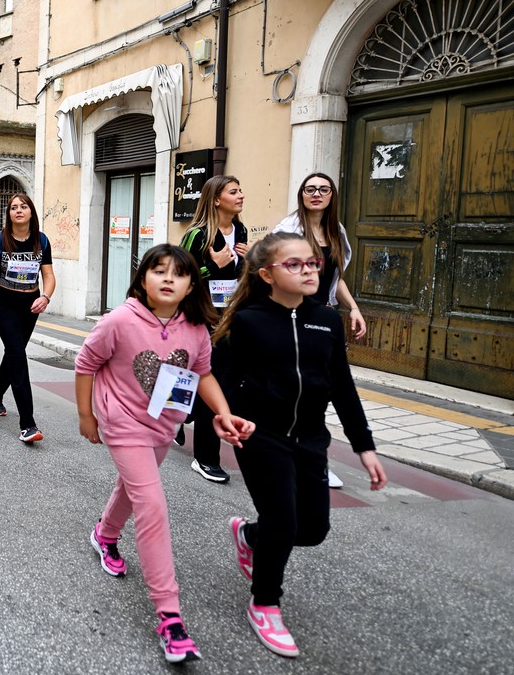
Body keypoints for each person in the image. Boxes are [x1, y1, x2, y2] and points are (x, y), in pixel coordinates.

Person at [74, 244, 254, 665]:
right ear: (143, 279)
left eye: (179, 273)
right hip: (121, 422)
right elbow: (85, 363)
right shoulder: (119, 320)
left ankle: (105, 535)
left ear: (192, 285)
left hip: (162, 425)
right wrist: (86, 416)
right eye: (159, 270)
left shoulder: (195, 329)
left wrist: (223, 412)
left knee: (133, 488)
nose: (169, 278)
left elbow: (202, 374)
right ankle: (170, 619)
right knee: (152, 504)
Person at [213, 232, 386, 658]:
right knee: (283, 522)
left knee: (313, 529)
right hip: (260, 436)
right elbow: (223, 376)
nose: (309, 270)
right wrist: (226, 415)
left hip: (310, 439)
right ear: (267, 275)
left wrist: (364, 446)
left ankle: (250, 535)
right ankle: (265, 604)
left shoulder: (326, 320)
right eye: (295, 264)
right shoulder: (248, 320)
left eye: (313, 263)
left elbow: (342, 386)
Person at [274, 172, 366, 488]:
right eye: (310, 189)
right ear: (301, 194)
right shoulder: (288, 229)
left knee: (317, 392)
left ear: (331, 195)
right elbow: (269, 274)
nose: (316, 194)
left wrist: (353, 308)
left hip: (321, 322)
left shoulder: (336, 232)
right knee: (290, 391)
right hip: (290, 319)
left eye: (323, 189)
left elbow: (335, 280)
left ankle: (314, 461)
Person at [176, 175, 248, 484]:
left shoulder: (241, 231)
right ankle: (206, 458)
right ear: (217, 199)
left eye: (240, 190)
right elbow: (179, 275)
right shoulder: (197, 234)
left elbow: (238, 276)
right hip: (199, 319)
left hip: (229, 319)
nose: (241, 195)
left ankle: (178, 414)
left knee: (219, 383)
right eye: (234, 191)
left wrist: (249, 262)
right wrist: (212, 266)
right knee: (211, 383)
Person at [0, 194, 55, 443]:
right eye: (14, 208)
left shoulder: (42, 240)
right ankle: (27, 424)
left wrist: (46, 297)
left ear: (31, 212)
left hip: (30, 305)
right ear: (8, 214)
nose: (19, 210)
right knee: (18, 355)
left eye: (23, 206)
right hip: (3, 303)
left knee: (13, 353)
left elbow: (48, 275)